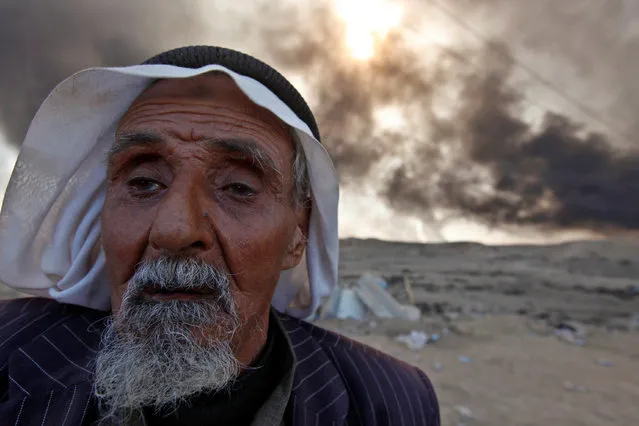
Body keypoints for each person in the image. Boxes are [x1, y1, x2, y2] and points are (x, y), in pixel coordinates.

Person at [0, 46, 439, 425]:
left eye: (238, 188)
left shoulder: (391, 403)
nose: (175, 231)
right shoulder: (10, 358)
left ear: (297, 235)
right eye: (144, 182)